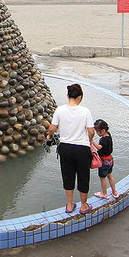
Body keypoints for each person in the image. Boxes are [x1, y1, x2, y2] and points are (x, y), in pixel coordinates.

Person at [46, 83, 96, 214]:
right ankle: (84, 206)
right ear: (80, 97)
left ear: (68, 96)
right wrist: (90, 140)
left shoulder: (60, 110)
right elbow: (91, 131)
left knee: (68, 176)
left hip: (65, 148)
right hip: (82, 149)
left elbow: (52, 128)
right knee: (83, 177)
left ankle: (69, 205)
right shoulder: (85, 111)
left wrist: (49, 137)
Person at [92, 119, 119, 199]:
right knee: (110, 175)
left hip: (104, 161)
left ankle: (104, 193)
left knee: (102, 177)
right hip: (110, 159)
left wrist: (91, 141)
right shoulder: (108, 135)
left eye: (98, 131)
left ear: (103, 130)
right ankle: (114, 192)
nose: (97, 133)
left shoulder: (104, 139)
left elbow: (100, 147)